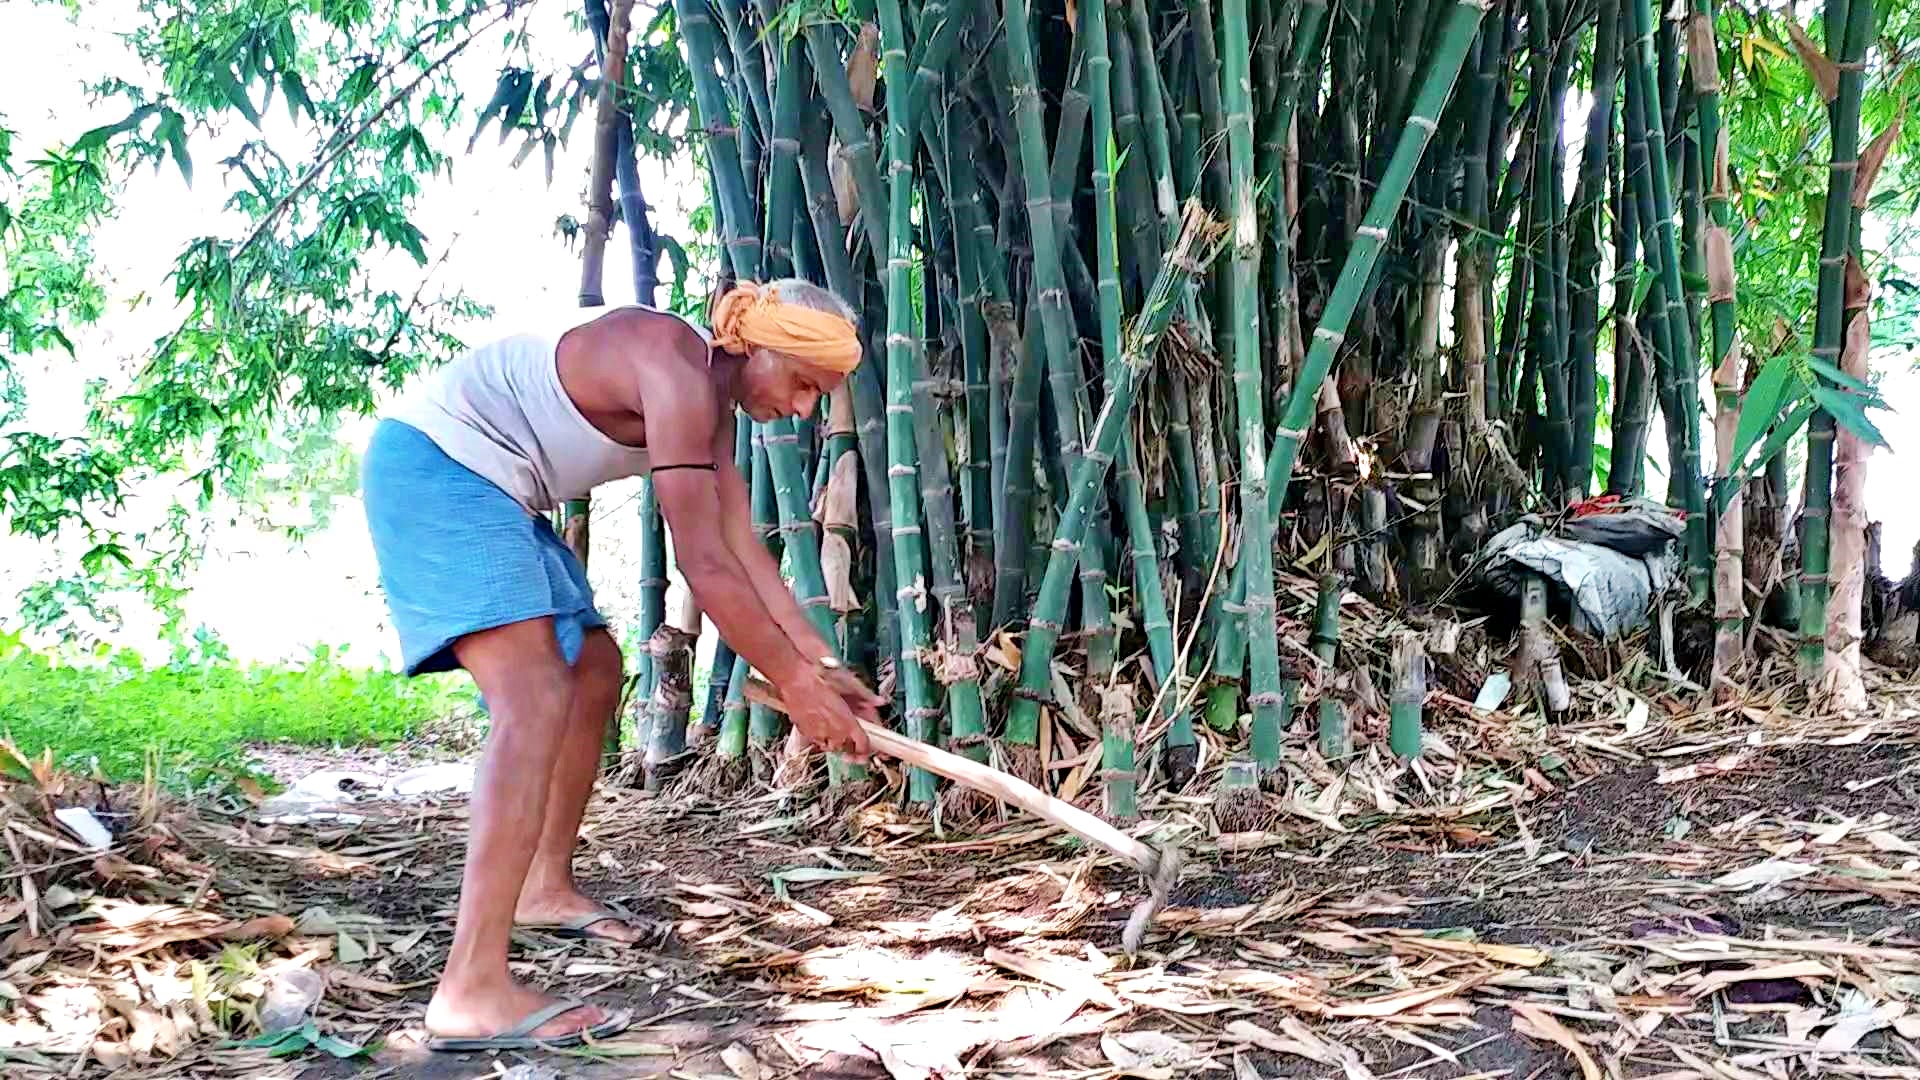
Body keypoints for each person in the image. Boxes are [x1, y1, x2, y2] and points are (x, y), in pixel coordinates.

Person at [359, 278, 883, 1051]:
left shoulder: (707, 410)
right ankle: (469, 986)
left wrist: (817, 660)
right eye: (805, 385)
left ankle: (543, 887)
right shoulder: (669, 365)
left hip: (502, 493)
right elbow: (701, 563)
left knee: (592, 669)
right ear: (763, 349)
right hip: (441, 471)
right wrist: (798, 692)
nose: (805, 411)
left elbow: (743, 548)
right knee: (533, 696)